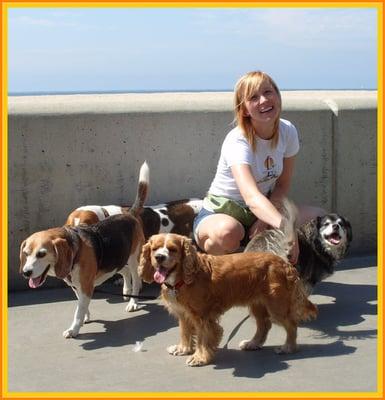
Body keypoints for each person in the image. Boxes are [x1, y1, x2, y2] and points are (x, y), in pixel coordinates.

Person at [193, 71, 324, 261]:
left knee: (319, 219)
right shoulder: (238, 140)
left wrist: (264, 220)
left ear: (278, 95)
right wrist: (285, 228)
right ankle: (227, 272)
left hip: (264, 208)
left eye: (268, 92)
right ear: (244, 109)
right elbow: (251, 196)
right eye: (253, 97)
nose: (263, 100)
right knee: (226, 233)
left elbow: (282, 185)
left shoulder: (288, 131)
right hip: (223, 211)